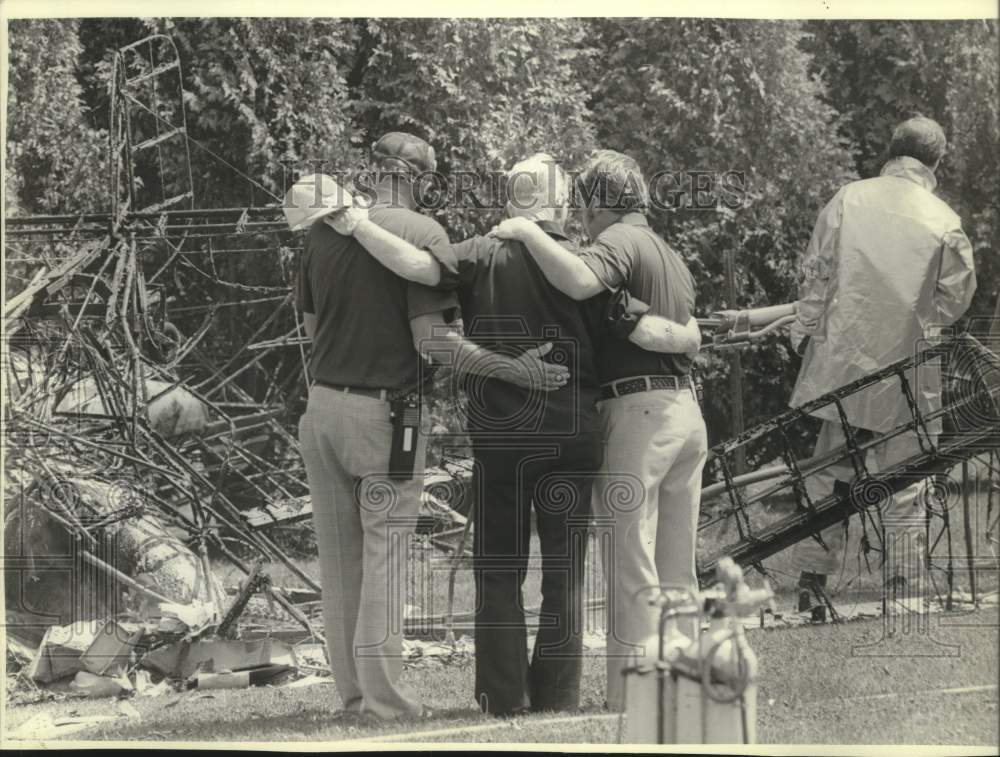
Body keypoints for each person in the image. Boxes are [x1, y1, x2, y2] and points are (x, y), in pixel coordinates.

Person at [336, 151, 700, 717]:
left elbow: (419, 268)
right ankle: (557, 694)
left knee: (499, 569)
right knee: (564, 571)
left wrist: (355, 224)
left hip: (501, 435)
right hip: (573, 431)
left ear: (510, 200)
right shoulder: (582, 262)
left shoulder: (481, 255)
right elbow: (636, 329)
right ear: (558, 202)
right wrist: (689, 337)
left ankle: (502, 696)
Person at [291, 133, 566, 721]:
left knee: (340, 567)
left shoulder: (318, 230)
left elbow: (311, 331)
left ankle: (354, 697)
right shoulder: (423, 233)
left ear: (372, 172)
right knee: (386, 558)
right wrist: (508, 368)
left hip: (320, 409)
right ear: (422, 179)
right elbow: (434, 342)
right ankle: (386, 704)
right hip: (385, 415)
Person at [490, 149, 706, 712]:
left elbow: (582, 278)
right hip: (686, 413)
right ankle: (680, 688)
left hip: (638, 414)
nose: (578, 222)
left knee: (630, 555)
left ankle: (635, 697)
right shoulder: (668, 251)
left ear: (599, 203)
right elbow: (682, 329)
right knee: (677, 565)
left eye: (582, 208)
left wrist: (526, 231)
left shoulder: (624, 241)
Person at [787, 115, 977, 615]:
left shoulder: (849, 198)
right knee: (907, 479)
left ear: (891, 151)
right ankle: (902, 587)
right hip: (909, 369)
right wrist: (915, 322)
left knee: (830, 472)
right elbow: (955, 299)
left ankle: (811, 580)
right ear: (936, 161)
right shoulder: (944, 219)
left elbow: (817, 270)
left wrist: (806, 325)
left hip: (842, 361)